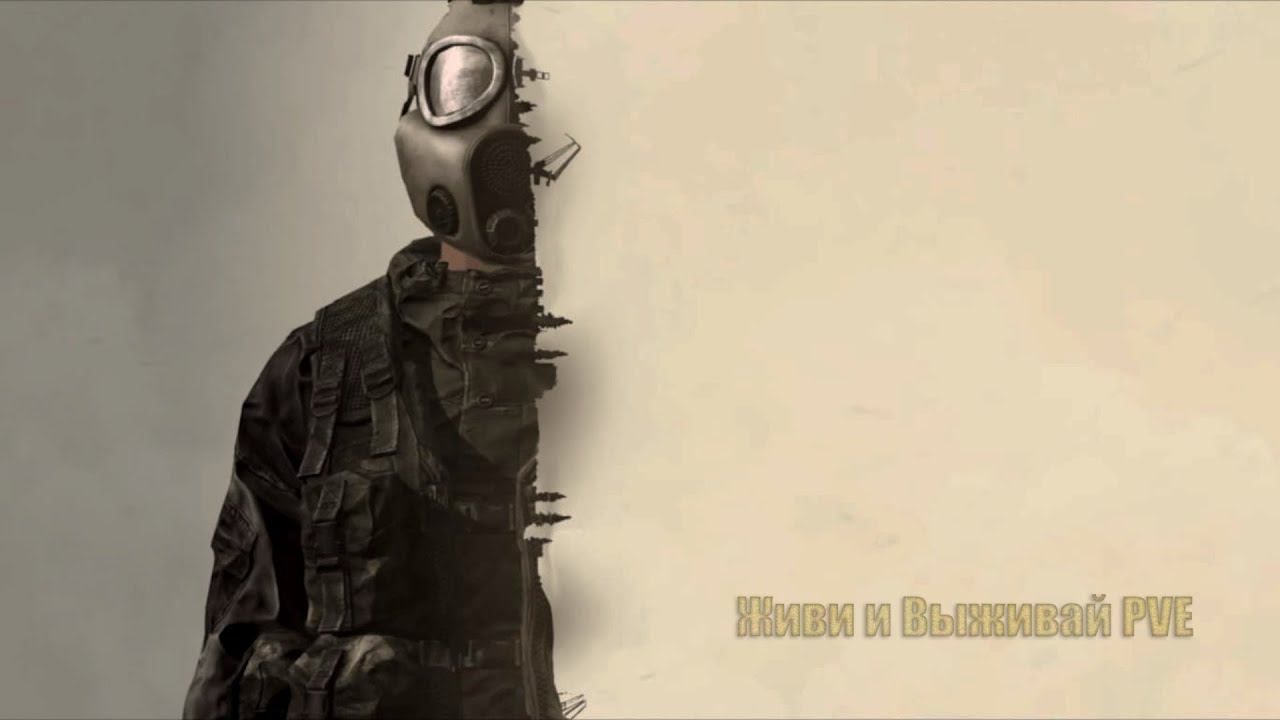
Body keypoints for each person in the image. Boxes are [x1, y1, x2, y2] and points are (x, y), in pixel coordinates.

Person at [182, 1, 579, 717]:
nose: (523, 130)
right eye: (469, 84)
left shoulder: (674, 355)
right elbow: (239, 659)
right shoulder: (319, 372)